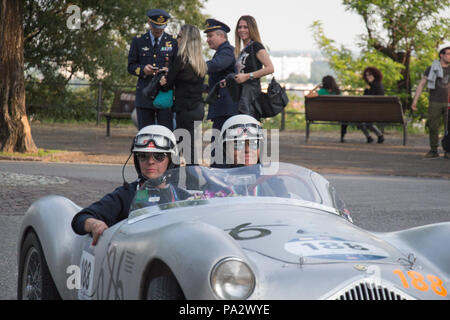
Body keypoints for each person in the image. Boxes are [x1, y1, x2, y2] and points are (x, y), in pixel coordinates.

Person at [71, 125, 190, 245]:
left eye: (159, 156)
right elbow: (80, 219)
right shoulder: (126, 194)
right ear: (137, 160)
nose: (150, 161)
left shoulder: (184, 198)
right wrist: (95, 225)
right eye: (143, 156)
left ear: (171, 160)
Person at [159, 24, 207, 165]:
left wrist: (163, 79)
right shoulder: (200, 62)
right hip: (197, 108)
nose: (176, 40)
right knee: (190, 148)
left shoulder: (181, 59)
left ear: (185, 39)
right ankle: (189, 182)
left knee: (183, 149)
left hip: (184, 109)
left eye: (179, 36)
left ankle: (185, 183)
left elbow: (167, 84)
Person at [127, 9, 178, 130]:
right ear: (149, 23)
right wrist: (143, 70)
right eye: (155, 26)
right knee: (145, 132)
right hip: (145, 94)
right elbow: (130, 67)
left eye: (162, 27)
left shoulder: (173, 42)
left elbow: (177, 67)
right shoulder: (138, 41)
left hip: (164, 95)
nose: (158, 30)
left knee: (165, 132)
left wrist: (168, 72)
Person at [411, 44, 450, 159]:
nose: (449, 56)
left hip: (448, 101)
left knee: (448, 128)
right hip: (435, 101)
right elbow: (422, 84)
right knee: (433, 126)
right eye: (448, 54)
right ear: (441, 55)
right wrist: (415, 101)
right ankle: (433, 150)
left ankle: (448, 150)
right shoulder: (431, 68)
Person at [233, 15, 274, 120]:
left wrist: (247, 76)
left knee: (248, 127)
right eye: (239, 27)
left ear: (252, 29)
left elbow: (270, 68)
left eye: (245, 27)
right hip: (241, 93)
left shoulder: (256, 46)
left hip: (251, 94)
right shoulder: (242, 50)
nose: (241, 30)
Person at [204, 19, 239, 132]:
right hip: (222, 107)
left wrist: (196, 66)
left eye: (210, 36)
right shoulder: (221, 51)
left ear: (221, 36)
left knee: (220, 146)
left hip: (226, 108)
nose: (207, 40)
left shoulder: (227, 51)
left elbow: (217, 65)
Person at [306, 75, 346, 142]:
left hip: (322, 115)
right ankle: (342, 137)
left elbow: (308, 96)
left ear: (324, 83)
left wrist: (315, 88)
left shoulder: (321, 91)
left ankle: (307, 137)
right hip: (338, 115)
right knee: (345, 119)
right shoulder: (337, 92)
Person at [360, 67, 385, 144]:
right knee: (360, 119)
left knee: (361, 120)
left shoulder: (376, 85)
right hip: (372, 110)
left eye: (370, 75)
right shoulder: (373, 85)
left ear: (375, 75)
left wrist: (367, 89)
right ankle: (376, 136)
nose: (368, 77)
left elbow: (370, 98)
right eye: (367, 75)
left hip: (375, 110)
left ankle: (377, 136)